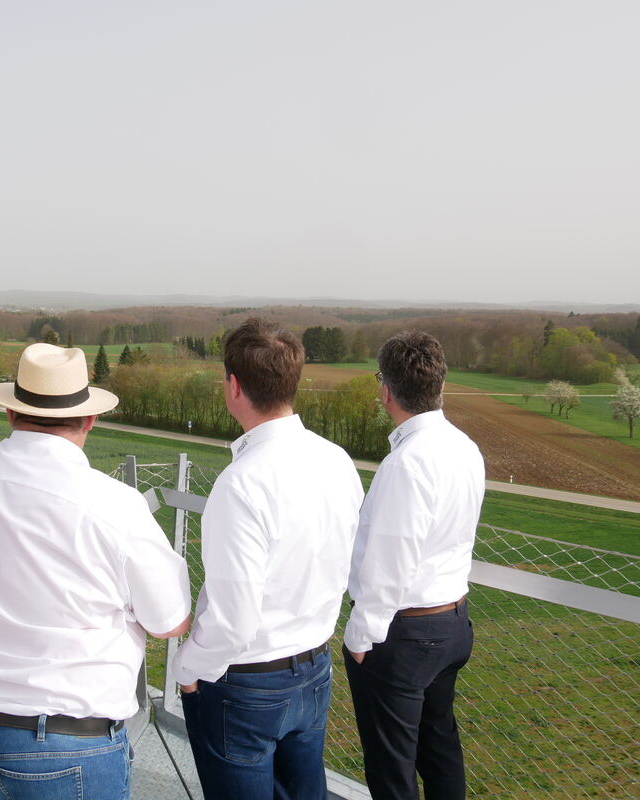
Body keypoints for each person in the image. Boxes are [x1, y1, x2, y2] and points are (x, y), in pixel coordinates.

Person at [0, 342, 191, 800]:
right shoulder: (113, 503)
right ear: (90, 418)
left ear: (11, 412)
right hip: (60, 744)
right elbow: (170, 622)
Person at [171, 317, 364, 800]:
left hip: (246, 685)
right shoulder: (336, 459)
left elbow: (234, 621)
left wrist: (188, 669)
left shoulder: (241, 484)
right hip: (314, 668)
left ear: (234, 386)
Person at [343, 330, 485, 800]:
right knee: (440, 749)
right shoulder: (464, 446)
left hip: (404, 635)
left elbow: (391, 563)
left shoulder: (406, 463)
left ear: (386, 390)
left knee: (392, 770)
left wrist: (361, 636)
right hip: (452, 621)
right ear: (440, 384)